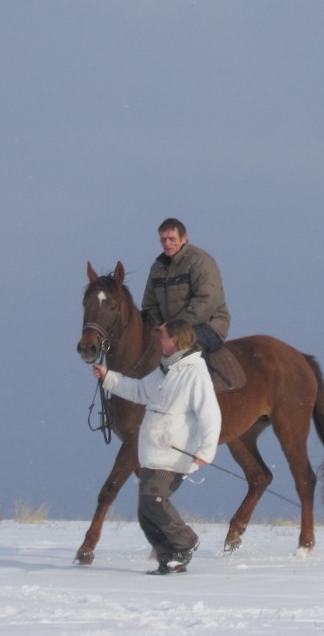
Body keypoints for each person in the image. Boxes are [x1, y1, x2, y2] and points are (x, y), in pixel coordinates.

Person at [92, 319, 222, 575]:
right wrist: (109, 378)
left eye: (162, 336)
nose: (158, 341)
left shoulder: (194, 373)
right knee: (146, 513)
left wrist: (206, 450)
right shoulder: (165, 371)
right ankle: (169, 558)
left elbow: (210, 414)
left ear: (174, 341)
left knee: (154, 500)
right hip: (153, 453)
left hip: (174, 455)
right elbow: (139, 390)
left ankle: (185, 541)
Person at [142, 218, 230, 353]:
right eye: (163, 240)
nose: (167, 243)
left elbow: (206, 299)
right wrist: (159, 328)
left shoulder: (199, 261)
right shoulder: (157, 268)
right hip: (171, 331)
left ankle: (201, 374)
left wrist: (174, 327)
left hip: (208, 325)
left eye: (172, 239)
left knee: (185, 351)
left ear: (184, 238)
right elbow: (150, 305)